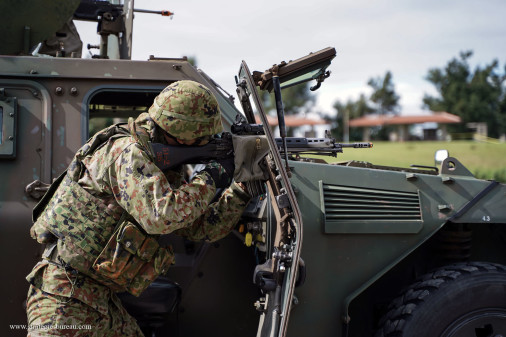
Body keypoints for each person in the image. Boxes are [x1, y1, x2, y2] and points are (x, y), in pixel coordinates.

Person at [25, 80, 251, 336]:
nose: (206, 143)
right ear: (181, 134)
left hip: (97, 298)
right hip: (64, 299)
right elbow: (161, 216)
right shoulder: (127, 151)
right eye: (203, 139)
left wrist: (242, 189)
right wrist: (211, 178)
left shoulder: (158, 162)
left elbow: (202, 227)